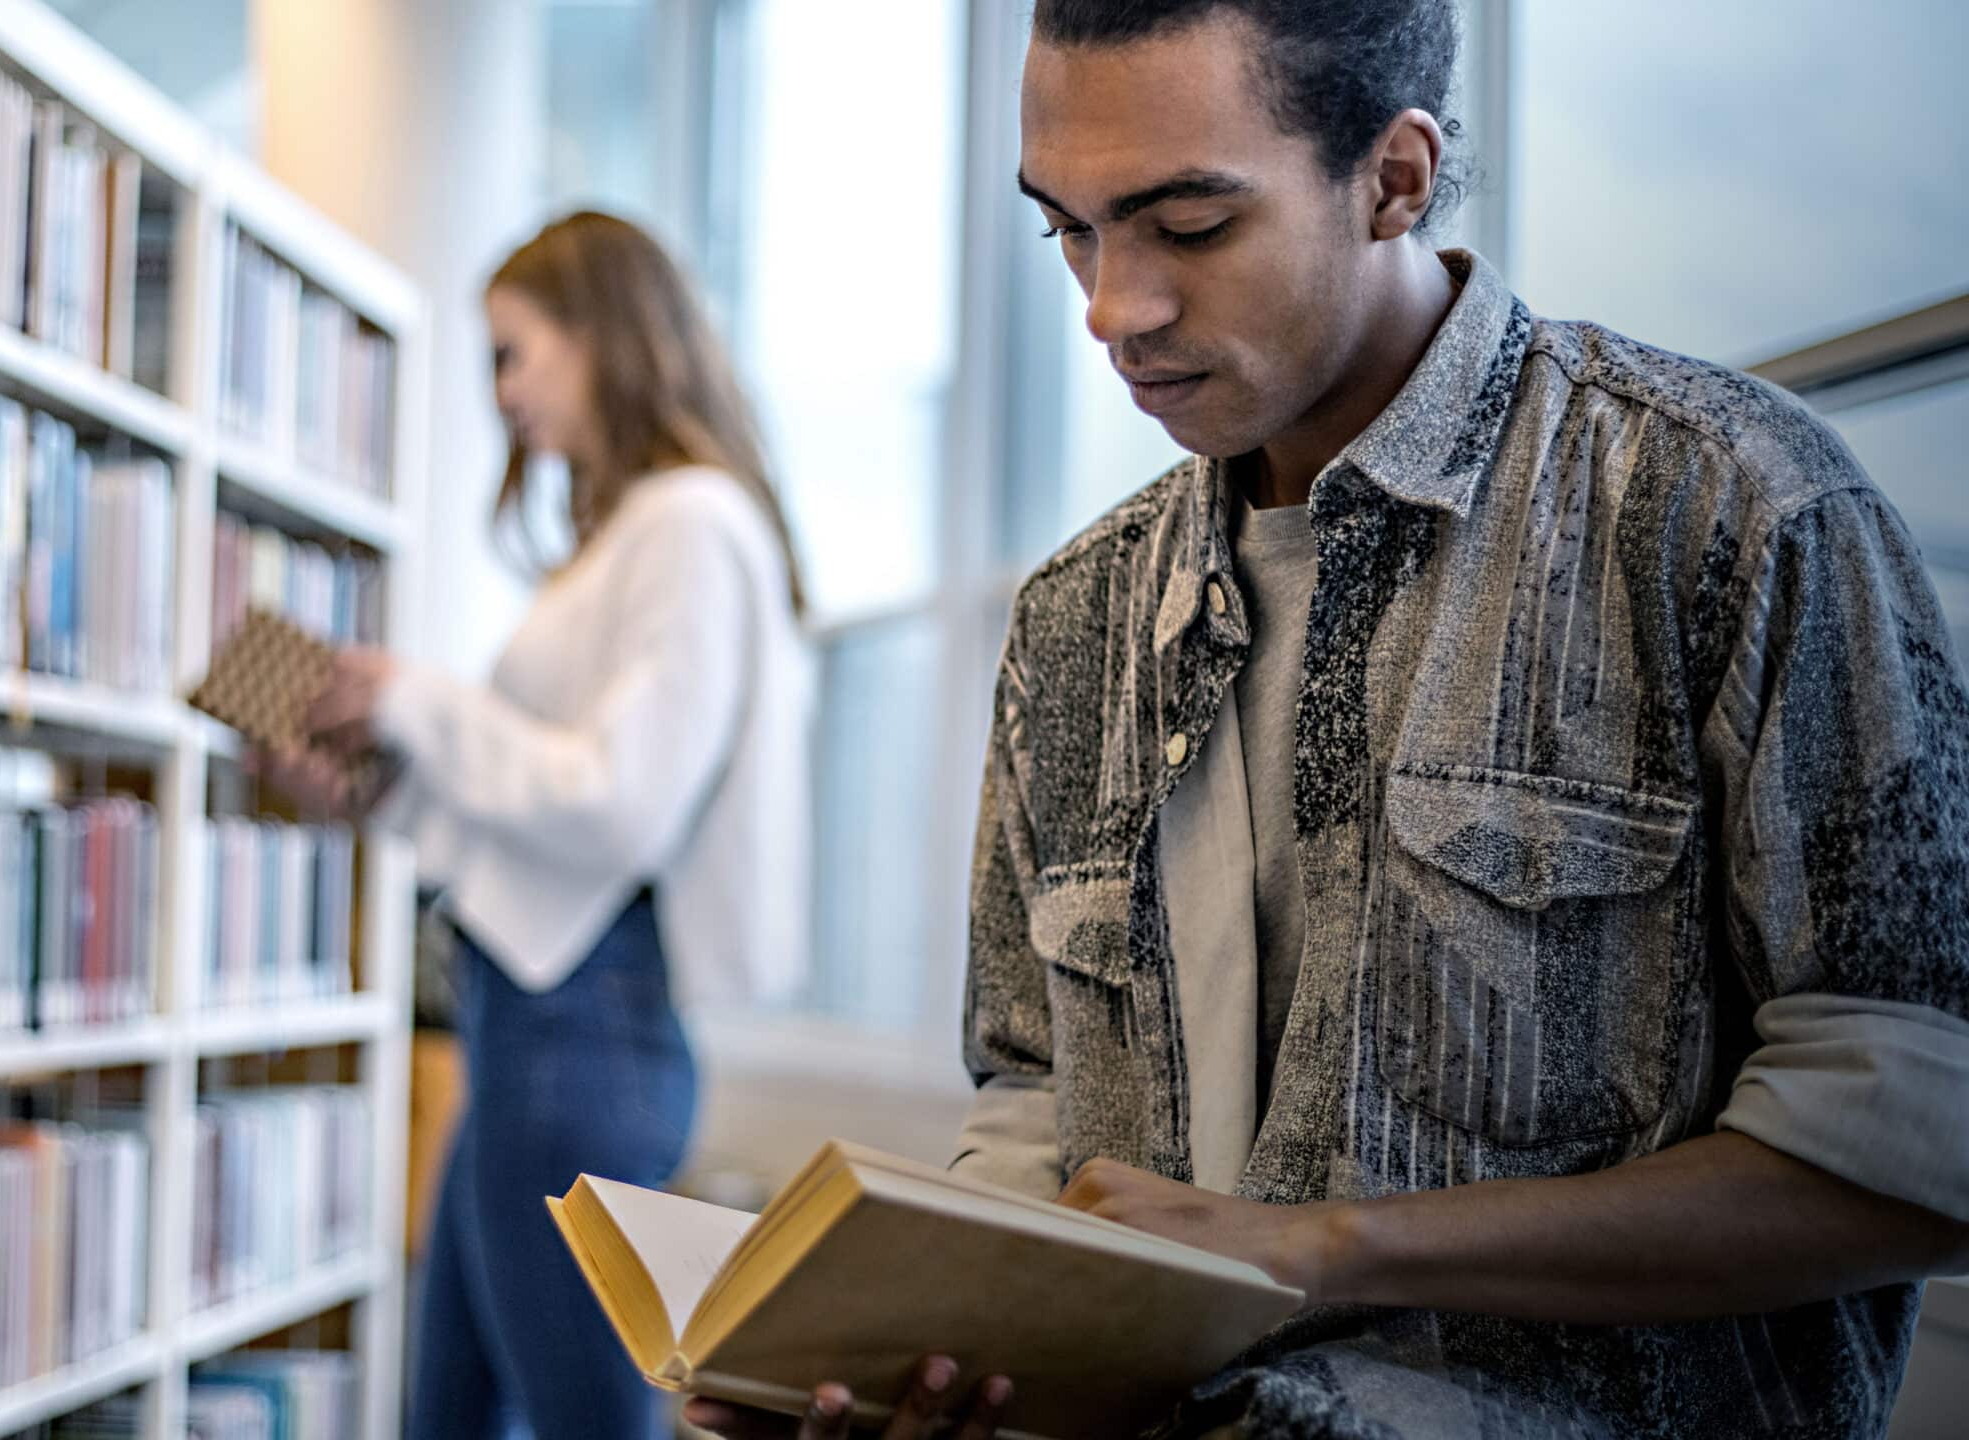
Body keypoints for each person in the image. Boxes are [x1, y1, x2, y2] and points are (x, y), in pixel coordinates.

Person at [687, 2, 1969, 1437]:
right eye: (1071, 228)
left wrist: (1325, 1249)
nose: (1112, 307)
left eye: (1186, 225)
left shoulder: (1730, 512)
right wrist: (912, 1345)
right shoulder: (1071, 622)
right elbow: (1036, 1108)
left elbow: (1918, 1155)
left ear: (1396, 179)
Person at [263, 210, 815, 1440]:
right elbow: (540, 822)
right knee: (450, 1413)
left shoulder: (689, 524)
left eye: (516, 352)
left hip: (581, 1034)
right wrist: (377, 789)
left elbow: (619, 805)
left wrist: (412, 697)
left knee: (573, 1424)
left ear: (604, 336)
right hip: (526, 1026)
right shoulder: (628, 537)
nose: (503, 392)